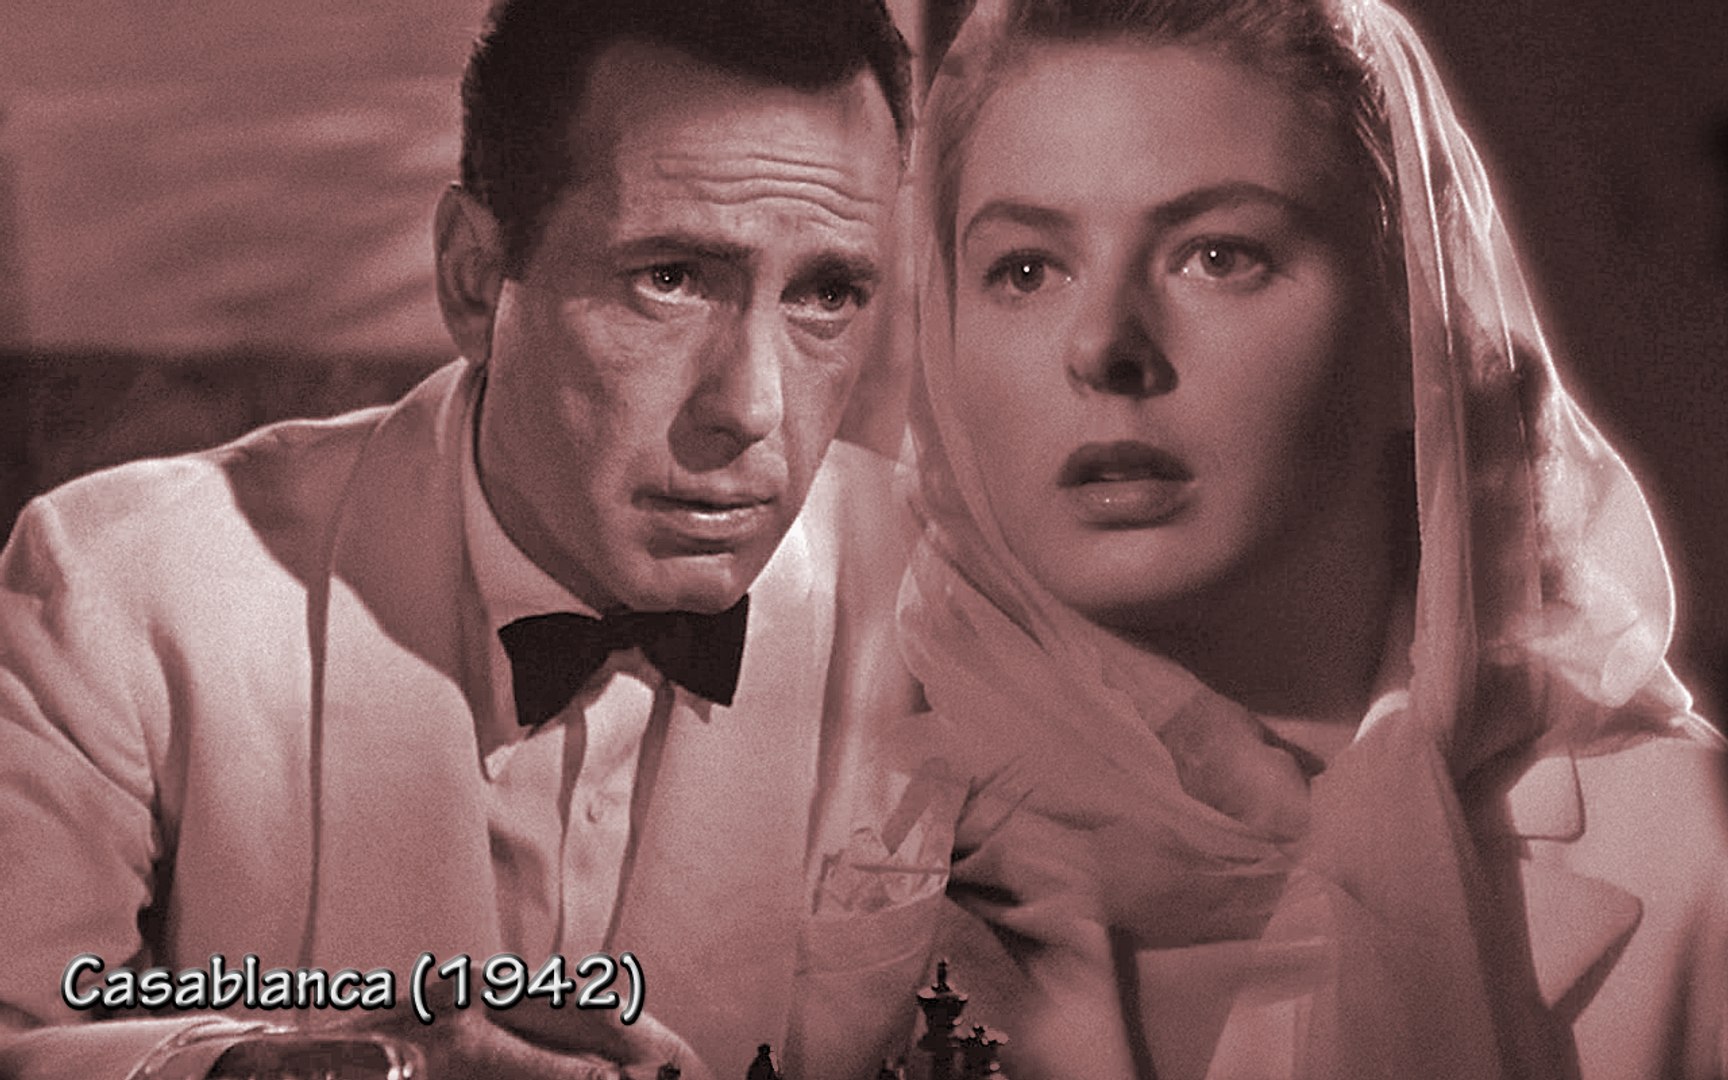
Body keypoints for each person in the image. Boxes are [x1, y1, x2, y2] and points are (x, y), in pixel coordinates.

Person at [0, 2, 955, 1078]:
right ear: (473, 277)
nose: (753, 408)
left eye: (827, 292)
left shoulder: (958, 601)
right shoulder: (120, 591)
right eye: (672, 277)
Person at [898, 0, 1728, 1076]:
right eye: (1025, 269)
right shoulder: (838, 852)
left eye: (1217, 255)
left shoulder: (1694, 858)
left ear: (1413, 326)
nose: (1102, 344)